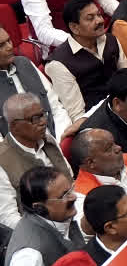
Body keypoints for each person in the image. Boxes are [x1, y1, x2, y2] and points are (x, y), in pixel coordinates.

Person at [45, 0, 127, 123]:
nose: (100, 21)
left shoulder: (111, 40)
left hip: (126, 107)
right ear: (74, 27)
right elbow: (77, 114)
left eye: (99, 15)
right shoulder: (58, 63)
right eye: (90, 18)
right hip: (97, 120)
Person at [0, 93, 73, 227]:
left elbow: (70, 180)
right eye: (35, 118)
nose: (44, 122)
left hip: (72, 211)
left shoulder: (48, 139)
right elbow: (8, 218)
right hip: (41, 230)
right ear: (14, 126)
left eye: (43, 114)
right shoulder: (2, 161)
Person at [0, 28, 71, 139]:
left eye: (9, 41)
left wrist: (59, 140)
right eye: (1, 46)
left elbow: (55, 105)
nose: (9, 47)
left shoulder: (24, 63)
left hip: (55, 137)